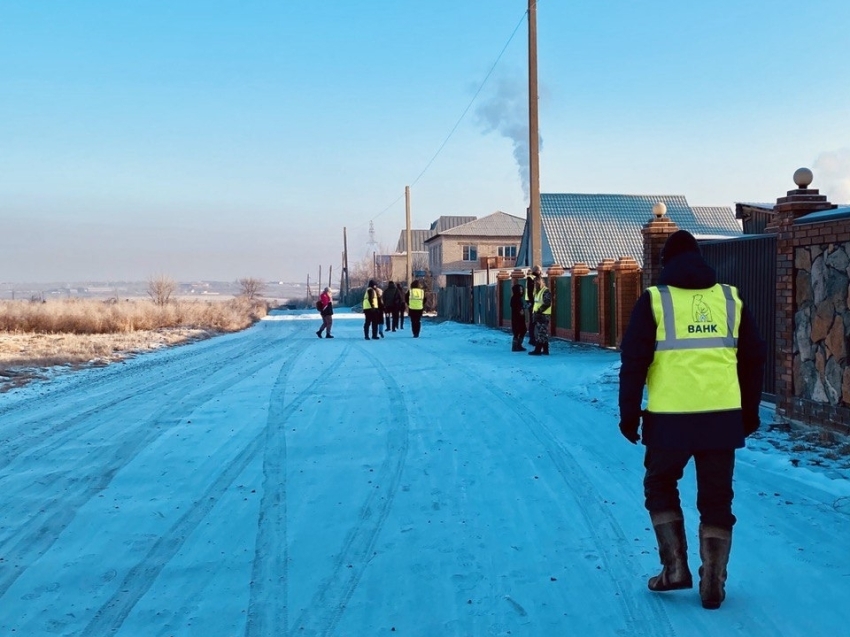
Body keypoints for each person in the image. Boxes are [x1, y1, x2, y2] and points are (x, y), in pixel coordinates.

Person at [618, 230, 766, 610]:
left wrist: (629, 414)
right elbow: (753, 358)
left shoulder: (654, 299)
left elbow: (634, 362)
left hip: (670, 420)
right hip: (721, 418)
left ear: (666, 262)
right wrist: (748, 413)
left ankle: (675, 569)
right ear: (700, 260)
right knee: (717, 498)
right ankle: (713, 580)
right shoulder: (729, 298)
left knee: (660, 484)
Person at [528, 272, 551, 355]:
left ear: (540, 282)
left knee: (541, 333)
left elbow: (547, 303)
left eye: (536, 283)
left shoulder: (545, 291)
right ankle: (545, 349)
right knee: (542, 332)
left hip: (543, 315)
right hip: (538, 315)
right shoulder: (537, 292)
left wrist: (539, 311)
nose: (534, 285)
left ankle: (537, 350)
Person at [510, 283, 527, 351]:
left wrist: (525, 307)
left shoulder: (519, 298)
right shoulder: (514, 298)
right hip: (516, 318)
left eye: (522, 289)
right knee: (517, 332)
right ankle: (515, 346)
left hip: (520, 318)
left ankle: (519, 345)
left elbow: (521, 307)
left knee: (523, 330)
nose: (521, 291)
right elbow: (515, 307)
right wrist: (520, 310)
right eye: (520, 290)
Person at [525, 267, 539, 347]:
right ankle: (532, 339)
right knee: (533, 321)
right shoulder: (532, 278)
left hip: (531, 301)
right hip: (533, 302)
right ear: (537, 271)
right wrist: (532, 302)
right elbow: (531, 292)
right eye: (540, 271)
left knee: (533, 321)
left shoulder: (531, 278)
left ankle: (533, 338)